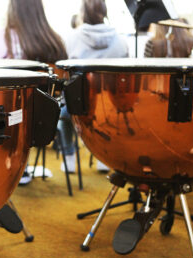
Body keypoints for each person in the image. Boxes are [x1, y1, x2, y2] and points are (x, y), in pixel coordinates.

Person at [0, 0, 67, 185]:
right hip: (46, 116)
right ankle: (24, 164)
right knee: (25, 108)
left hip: (9, 117)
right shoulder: (55, 41)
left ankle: (10, 164)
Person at [61, 0, 128, 173]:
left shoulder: (70, 39)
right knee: (108, 112)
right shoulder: (121, 42)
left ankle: (69, 156)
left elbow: (62, 76)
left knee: (63, 107)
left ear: (83, 13)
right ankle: (104, 156)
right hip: (109, 106)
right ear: (104, 13)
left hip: (76, 106)